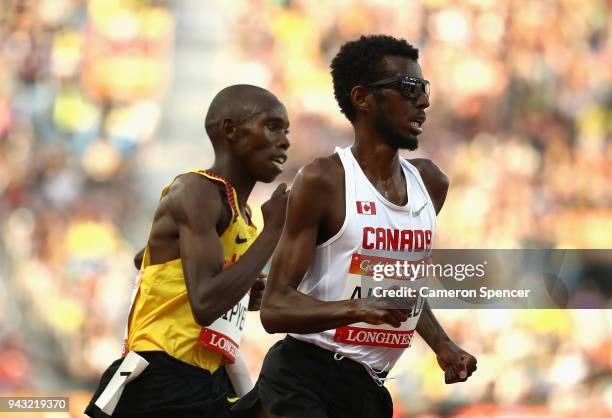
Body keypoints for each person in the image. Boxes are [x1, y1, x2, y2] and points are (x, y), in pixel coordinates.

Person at [232, 35, 477, 418]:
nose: (424, 102)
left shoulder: (431, 184)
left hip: (368, 389)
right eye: (409, 88)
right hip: (304, 377)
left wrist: (442, 344)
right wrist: (356, 308)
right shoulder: (323, 180)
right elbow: (276, 307)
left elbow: (401, 286)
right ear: (362, 99)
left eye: (424, 88)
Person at [85, 84, 290, 418]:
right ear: (230, 130)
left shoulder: (243, 215)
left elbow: (145, 258)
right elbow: (205, 303)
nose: (285, 141)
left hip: (211, 378)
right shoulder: (197, 190)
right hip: (162, 375)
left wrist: (239, 291)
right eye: (272, 126)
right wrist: (274, 232)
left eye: (287, 131)